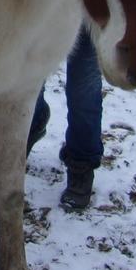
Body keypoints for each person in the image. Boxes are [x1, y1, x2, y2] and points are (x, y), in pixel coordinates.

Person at [26, 26, 103, 210]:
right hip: (43, 1)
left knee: (83, 85)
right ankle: (32, 123)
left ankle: (82, 160)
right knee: (29, 74)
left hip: (91, 6)